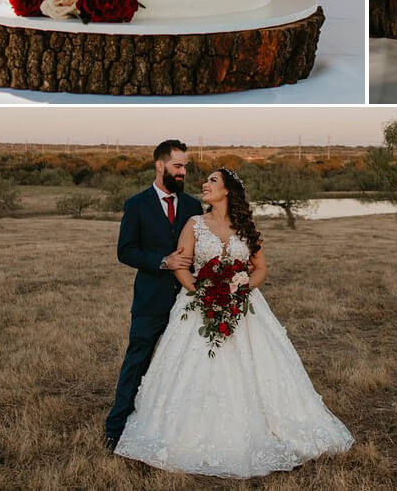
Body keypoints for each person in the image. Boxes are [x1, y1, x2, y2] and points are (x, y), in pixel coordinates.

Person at [114, 164, 353, 474]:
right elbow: (182, 266)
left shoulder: (246, 227)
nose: (204, 184)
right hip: (198, 303)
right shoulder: (194, 224)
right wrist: (200, 292)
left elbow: (261, 269)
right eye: (205, 180)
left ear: (227, 190)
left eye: (212, 180)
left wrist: (242, 286)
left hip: (244, 307)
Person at [105, 141, 203, 453]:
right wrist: (163, 261)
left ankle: (180, 426)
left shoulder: (193, 206)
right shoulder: (137, 204)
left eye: (185, 166)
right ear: (160, 166)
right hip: (151, 298)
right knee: (137, 360)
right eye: (178, 166)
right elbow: (125, 250)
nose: (183, 172)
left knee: (186, 364)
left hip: (188, 300)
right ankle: (116, 426)